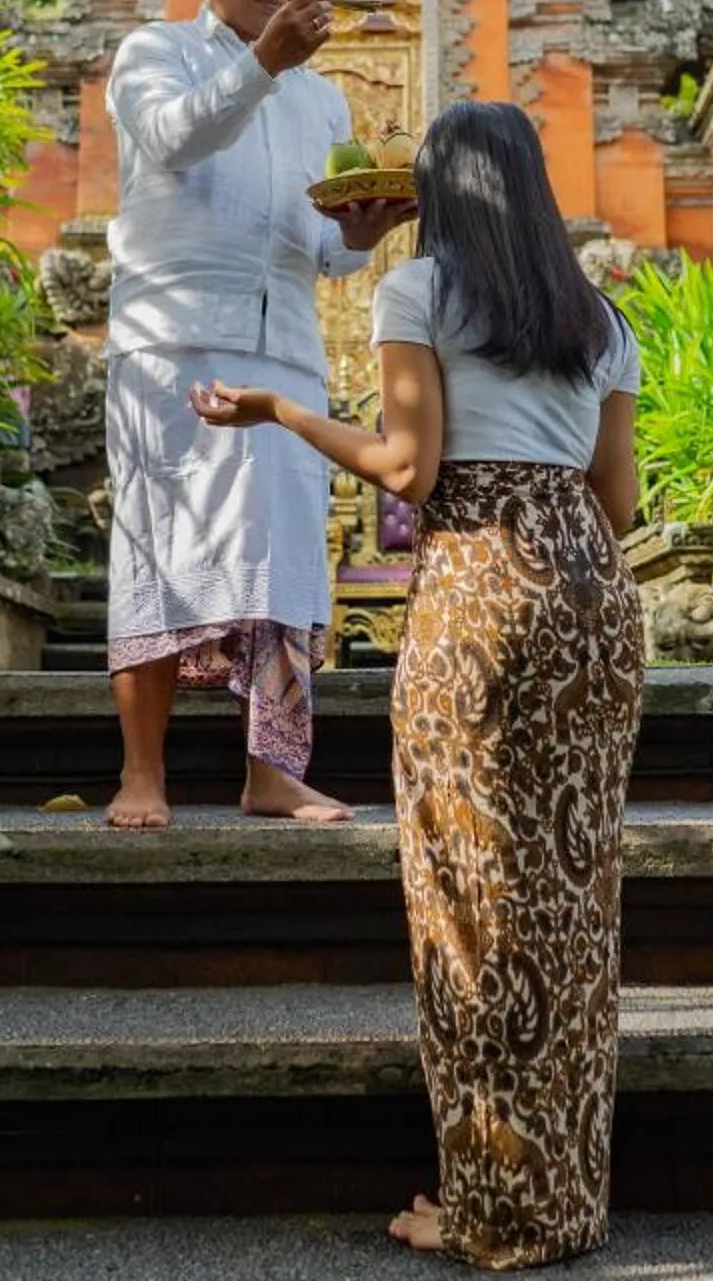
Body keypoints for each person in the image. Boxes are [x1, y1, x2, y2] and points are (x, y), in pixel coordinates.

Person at [192, 100, 646, 1269]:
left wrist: (280, 408)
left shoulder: (422, 291)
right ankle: (559, 1196)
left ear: (441, 192)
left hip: (483, 584)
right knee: (571, 904)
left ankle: (491, 1205)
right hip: (592, 596)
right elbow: (620, 505)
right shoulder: (595, 315)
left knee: (470, 892)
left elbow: (408, 467)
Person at [102, 0, 411, 831]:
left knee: (280, 564)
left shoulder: (320, 105)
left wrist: (366, 230)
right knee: (155, 547)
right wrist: (262, 65)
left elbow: (318, 250)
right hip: (171, 345)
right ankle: (142, 773)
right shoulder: (153, 53)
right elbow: (171, 140)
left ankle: (271, 772)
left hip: (283, 358)